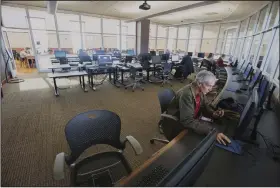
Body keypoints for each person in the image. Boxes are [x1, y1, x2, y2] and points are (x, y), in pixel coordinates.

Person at [168, 70, 231, 145]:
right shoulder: (187, 95)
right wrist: (211, 132)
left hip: (191, 118)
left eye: (212, 86)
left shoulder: (200, 91)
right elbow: (187, 121)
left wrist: (214, 113)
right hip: (178, 121)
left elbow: (205, 106)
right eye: (209, 85)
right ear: (199, 83)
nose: (210, 89)